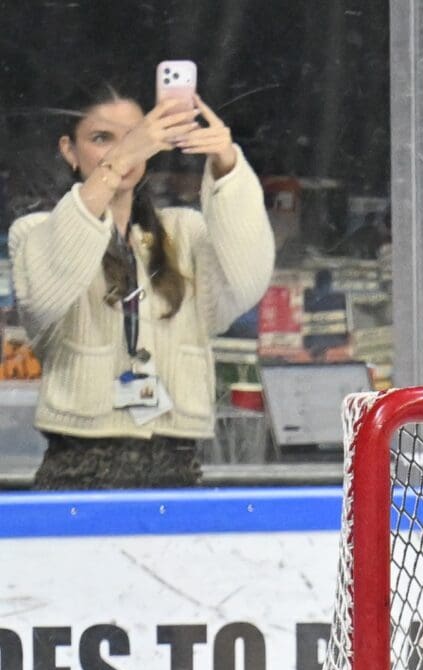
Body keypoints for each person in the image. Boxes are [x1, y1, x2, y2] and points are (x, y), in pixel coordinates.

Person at [7, 81, 274, 489]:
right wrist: (117, 165)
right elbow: (45, 292)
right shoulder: (36, 232)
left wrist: (227, 165)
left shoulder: (183, 232)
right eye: (102, 138)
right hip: (80, 467)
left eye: (134, 138)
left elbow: (246, 281)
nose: (123, 150)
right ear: (68, 150)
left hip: (177, 467)